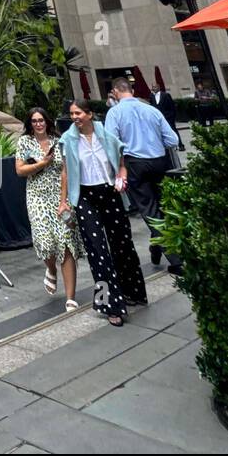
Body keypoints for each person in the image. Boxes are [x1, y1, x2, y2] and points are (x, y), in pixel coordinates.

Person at [58, 100, 147, 326]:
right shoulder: (67, 140)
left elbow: (121, 165)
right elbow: (66, 172)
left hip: (109, 192)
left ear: (89, 114)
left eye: (78, 113)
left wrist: (122, 177)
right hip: (85, 197)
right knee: (97, 251)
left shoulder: (107, 136)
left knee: (122, 244)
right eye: (71, 114)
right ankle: (108, 305)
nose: (74, 117)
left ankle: (133, 292)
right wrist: (63, 201)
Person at [105, 77, 182, 271]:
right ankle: (158, 247)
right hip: (159, 162)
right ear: (131, 89)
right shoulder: (151, 110)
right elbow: (172, 139)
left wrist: (117, 168)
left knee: (150, 211)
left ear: (115, 92)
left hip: (134, 164)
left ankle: (176, 260)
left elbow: (111, 145)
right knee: (164, 207)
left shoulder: (114, 113)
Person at [15, 108, 84, 313]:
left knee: (66, 241)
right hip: (36, 197)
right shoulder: (25, 143)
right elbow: (19, 170)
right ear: (30, 123)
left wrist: (65, 200)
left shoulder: (58, 140)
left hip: (58, 196)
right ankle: (51, 269)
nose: (38, 124)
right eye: (34, 121)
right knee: (44, 241)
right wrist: (42, 163)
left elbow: (65, 170)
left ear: (47, 121)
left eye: (41, 120)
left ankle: (71, 298)